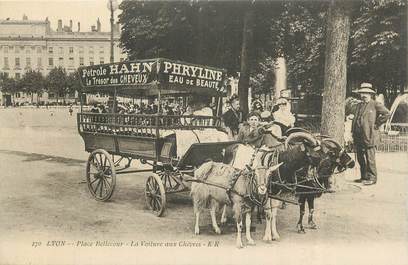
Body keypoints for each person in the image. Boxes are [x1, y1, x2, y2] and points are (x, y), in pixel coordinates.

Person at [348, 83, 390, 186]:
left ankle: (372, 178)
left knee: (370, 157)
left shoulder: (375, 104)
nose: (364, 95)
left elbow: (387, 113)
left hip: (370, 135)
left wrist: (377, 123)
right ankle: (364, 176)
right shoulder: (358, 105)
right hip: (358, 136)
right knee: (360, 157)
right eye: (362, 93)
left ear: (370, 94)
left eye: (366, 93)